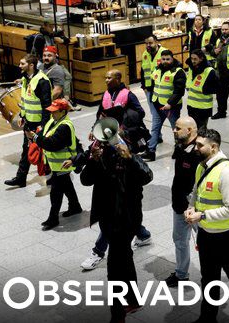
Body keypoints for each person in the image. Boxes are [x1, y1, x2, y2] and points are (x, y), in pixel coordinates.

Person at [184, 129, 229, 322]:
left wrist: (202, 215)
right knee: (209, 278)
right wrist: (191, 208)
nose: (196, 148)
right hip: (206, 231)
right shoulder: (202, 166)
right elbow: (196, 191)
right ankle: (208, 317)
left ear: (214, 147)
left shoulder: (228, 172)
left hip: (227, 234)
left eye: (200, 145)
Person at [80, 132, 153, 321]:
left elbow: (147, 176)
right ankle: (133, 299)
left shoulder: (131, 157)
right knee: (125, 258)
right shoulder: (101, 156)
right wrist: (93, 161)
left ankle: (117, 315)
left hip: (127, 220)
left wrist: (129, 158)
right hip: (108, 219)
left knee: (114, 270)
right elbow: (85, 180)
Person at [28, 99, 81, 230]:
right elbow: (44, 135)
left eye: (54, 111)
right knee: (67, 185)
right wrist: (37, 135)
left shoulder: (65, 126)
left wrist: (35, 138)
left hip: (64, 164)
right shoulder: (53, 121)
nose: (51, 114)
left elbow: (51, 144)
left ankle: (53, 218)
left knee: (56, 192)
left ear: (63, 111)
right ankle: (75, 206)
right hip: (56, 164)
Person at [164, 117, 201, 287]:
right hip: (178, 202)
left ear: (191, 130)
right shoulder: (180, 146)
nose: (174, 130)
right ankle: (181, 275)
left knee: (211, 241)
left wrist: (193, 204)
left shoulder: (200, 152)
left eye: (178, 128)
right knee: (179, 239)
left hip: (195, 206)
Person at [4, 54, 52, 188]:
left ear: (31, 65)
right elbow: (26, 102)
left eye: (22, 64)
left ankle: (52, 178)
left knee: (44, 151)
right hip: (29, 122)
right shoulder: (26, 79)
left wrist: (43, 126)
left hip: (39, 124)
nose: (19, 66)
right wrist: (23, 117)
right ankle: (21, 178)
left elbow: (47, 106)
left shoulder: (42, 81)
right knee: (26, 149)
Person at [143, 50, 185, 161]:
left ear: (172, 58)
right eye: (163, 59)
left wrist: (170, 103)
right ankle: (151, 152)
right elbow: (154, 84)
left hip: (171, 107)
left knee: (176, 130)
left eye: (168, 59)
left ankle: (179, 150)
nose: (165, 61)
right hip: (157, 105)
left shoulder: (178, 72)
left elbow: (179, 91)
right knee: (155, 128)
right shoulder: (157, 69)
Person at [98, 69, 149, 153]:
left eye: (109, 78)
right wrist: (94, 129)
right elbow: (100, 113)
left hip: (126, 134)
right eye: (106, 78)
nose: (106, 80)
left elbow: (140, 112)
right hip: (110, 133)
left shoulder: (128, 94)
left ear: (117, 79)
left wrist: (125, 128)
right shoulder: (105, 94)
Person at [185, 48, 219, 129]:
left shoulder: (209, 71)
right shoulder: (191, 68)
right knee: (193, 129)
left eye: (195, 59)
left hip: (203, 107)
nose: (193, 61)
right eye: (191, 58)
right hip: (191, 105)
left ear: (201, 58)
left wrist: (205, 90)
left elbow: (218, 88)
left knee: (201, 130)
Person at [213, 21, 229, 120]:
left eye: (226, 29)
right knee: (221, 95)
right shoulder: (219, 40)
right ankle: (221, 112)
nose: (224, 31)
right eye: (222, 29)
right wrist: (214, 51)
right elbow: (215, 53)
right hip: (221, 72)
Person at [140, 36, 167, 114]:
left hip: (162, 88)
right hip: (149, 88)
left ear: (156, 42)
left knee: (166, 112)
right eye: (146, 43)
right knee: (154, 113)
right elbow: (143, 71)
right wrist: (143, 86)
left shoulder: (164, 52)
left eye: (150, 43)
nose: (148, 45)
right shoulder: (145, 54)